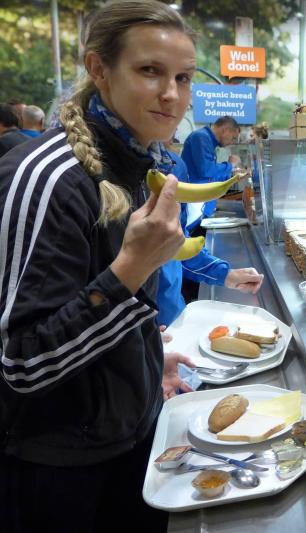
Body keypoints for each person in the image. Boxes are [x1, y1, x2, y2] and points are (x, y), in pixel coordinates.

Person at [0, 2, 198, 531]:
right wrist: (132, 267)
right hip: (58, 469)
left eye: (183, 77)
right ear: (99, 69)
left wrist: (146, 361)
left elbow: (97, 308)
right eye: (150, 70)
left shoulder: (138, 166)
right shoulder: (49, 179)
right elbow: (22, 363)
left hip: (127, 438)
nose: (171, 94)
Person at [157, 150, 263, 327]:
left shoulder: (173, 164)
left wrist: (226, 274)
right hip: (129, 333)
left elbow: (177, 244)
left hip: (172, 318)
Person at [180, 115, 242, 224]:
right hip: (196, 200)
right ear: (225, 130)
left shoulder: (208, 140)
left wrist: (233, 174)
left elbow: (211, 173)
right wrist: (230, 165)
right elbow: (206, 171)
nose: (232, 142)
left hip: (203, 200)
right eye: (233, 138)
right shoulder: (201, 137)